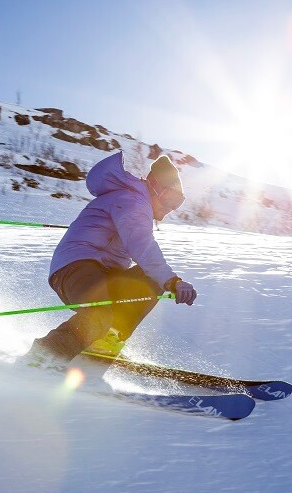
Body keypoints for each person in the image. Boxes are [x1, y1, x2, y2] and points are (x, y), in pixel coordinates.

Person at [22, 151, 197, 368]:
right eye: (170, 200)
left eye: (176, 205)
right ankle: (43, 358)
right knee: (100, 314)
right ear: (154, 186)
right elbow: (141, 244)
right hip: (75, 268)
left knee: (148, 279)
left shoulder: (133, 201)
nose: (168, 211)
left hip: (101, 272)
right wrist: (172, 280)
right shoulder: (133, 200)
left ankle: (102, 347)